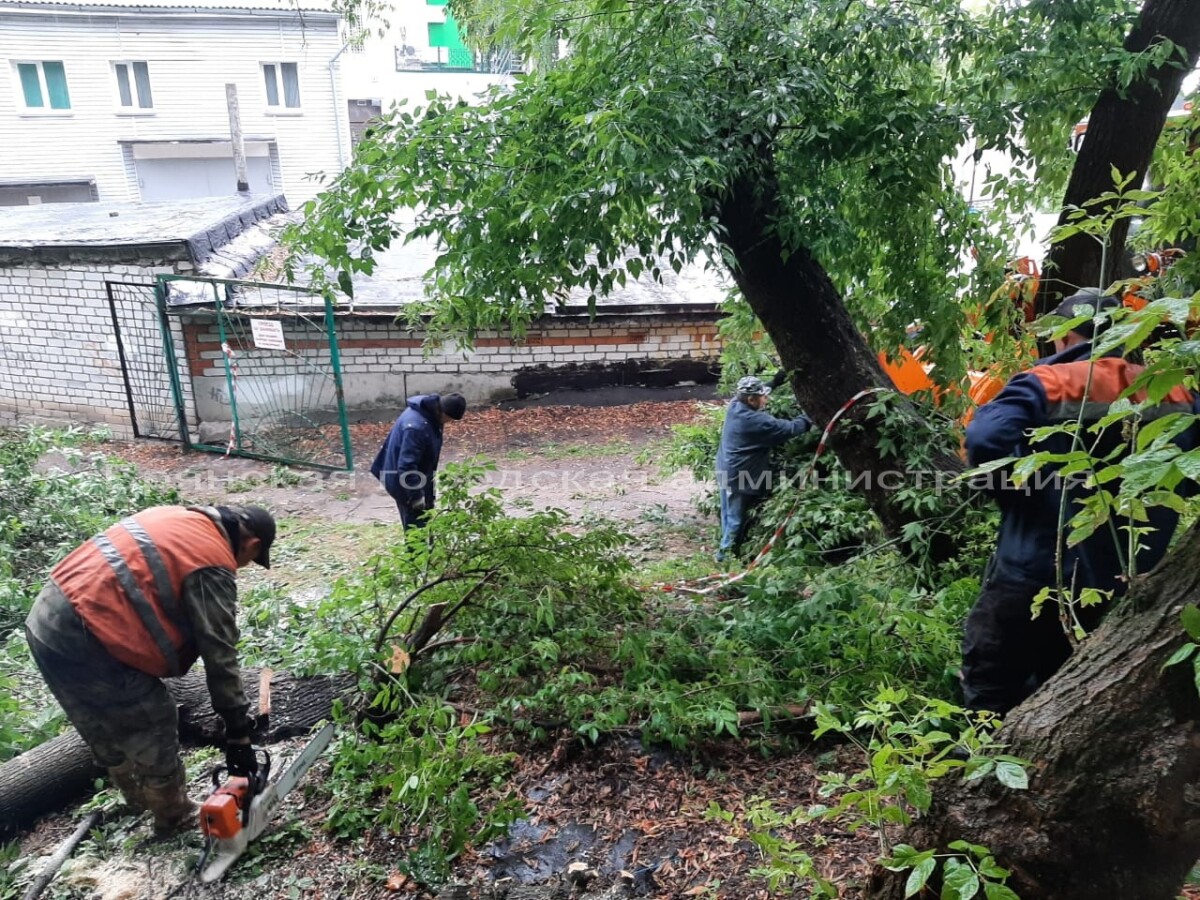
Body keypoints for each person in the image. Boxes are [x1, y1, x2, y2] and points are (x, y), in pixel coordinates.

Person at [962, 288, 1200, 716]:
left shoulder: (1052, 381)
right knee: (1068, 687)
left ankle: (985, 761)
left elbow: (984, 438)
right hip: (1128, 577)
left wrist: (1018, 494)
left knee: (992, 683)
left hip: (1035, 567)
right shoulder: (1175, 394)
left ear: (1065, 336)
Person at [24, 505, 276, 833]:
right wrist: (238, 731)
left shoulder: (177, 517)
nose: (242, 567)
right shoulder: (210, 559)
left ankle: (139, 802)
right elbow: (220, 654)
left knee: (99, 721)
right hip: (87, 632)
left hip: (45, 620)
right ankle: (174, 816)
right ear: (253, 544)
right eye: (250, 561)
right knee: (152, 714)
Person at [715, 375, 812, 563]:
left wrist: (775, 381)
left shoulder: (735, 405)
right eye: (763, 397)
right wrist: (812, 414)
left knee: (727, 514)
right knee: (735, 518)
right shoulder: (756, 421)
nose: (766, 399)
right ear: (751, 400)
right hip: (740, 476)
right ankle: (725, 558)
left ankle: (725, 549)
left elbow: (756, 391)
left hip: (725, 469)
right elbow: (792, 428)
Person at [371, 392, 467, 528]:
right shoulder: (417, 428)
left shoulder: (430, 413)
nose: (448, 423)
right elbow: (406, 466)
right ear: (444, 413)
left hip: (418, 475)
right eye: (450, 420)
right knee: (416, 527)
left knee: (426, 521)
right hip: (404, 482)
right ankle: (418, 549)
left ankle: (428, 546)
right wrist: (416, 497)